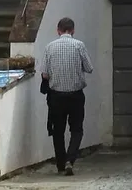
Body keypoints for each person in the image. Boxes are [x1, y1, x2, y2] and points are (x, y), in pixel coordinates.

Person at [37, 16, 93, 175]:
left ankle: (60, 163)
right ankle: (70, 159)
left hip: (56, 96)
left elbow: (45, 74)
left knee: (58, 130)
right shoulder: (79, 46)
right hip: (76, 95)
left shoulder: (49, 47)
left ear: (58, 30)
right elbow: (89, 68)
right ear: (73, 30)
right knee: (77, 129)